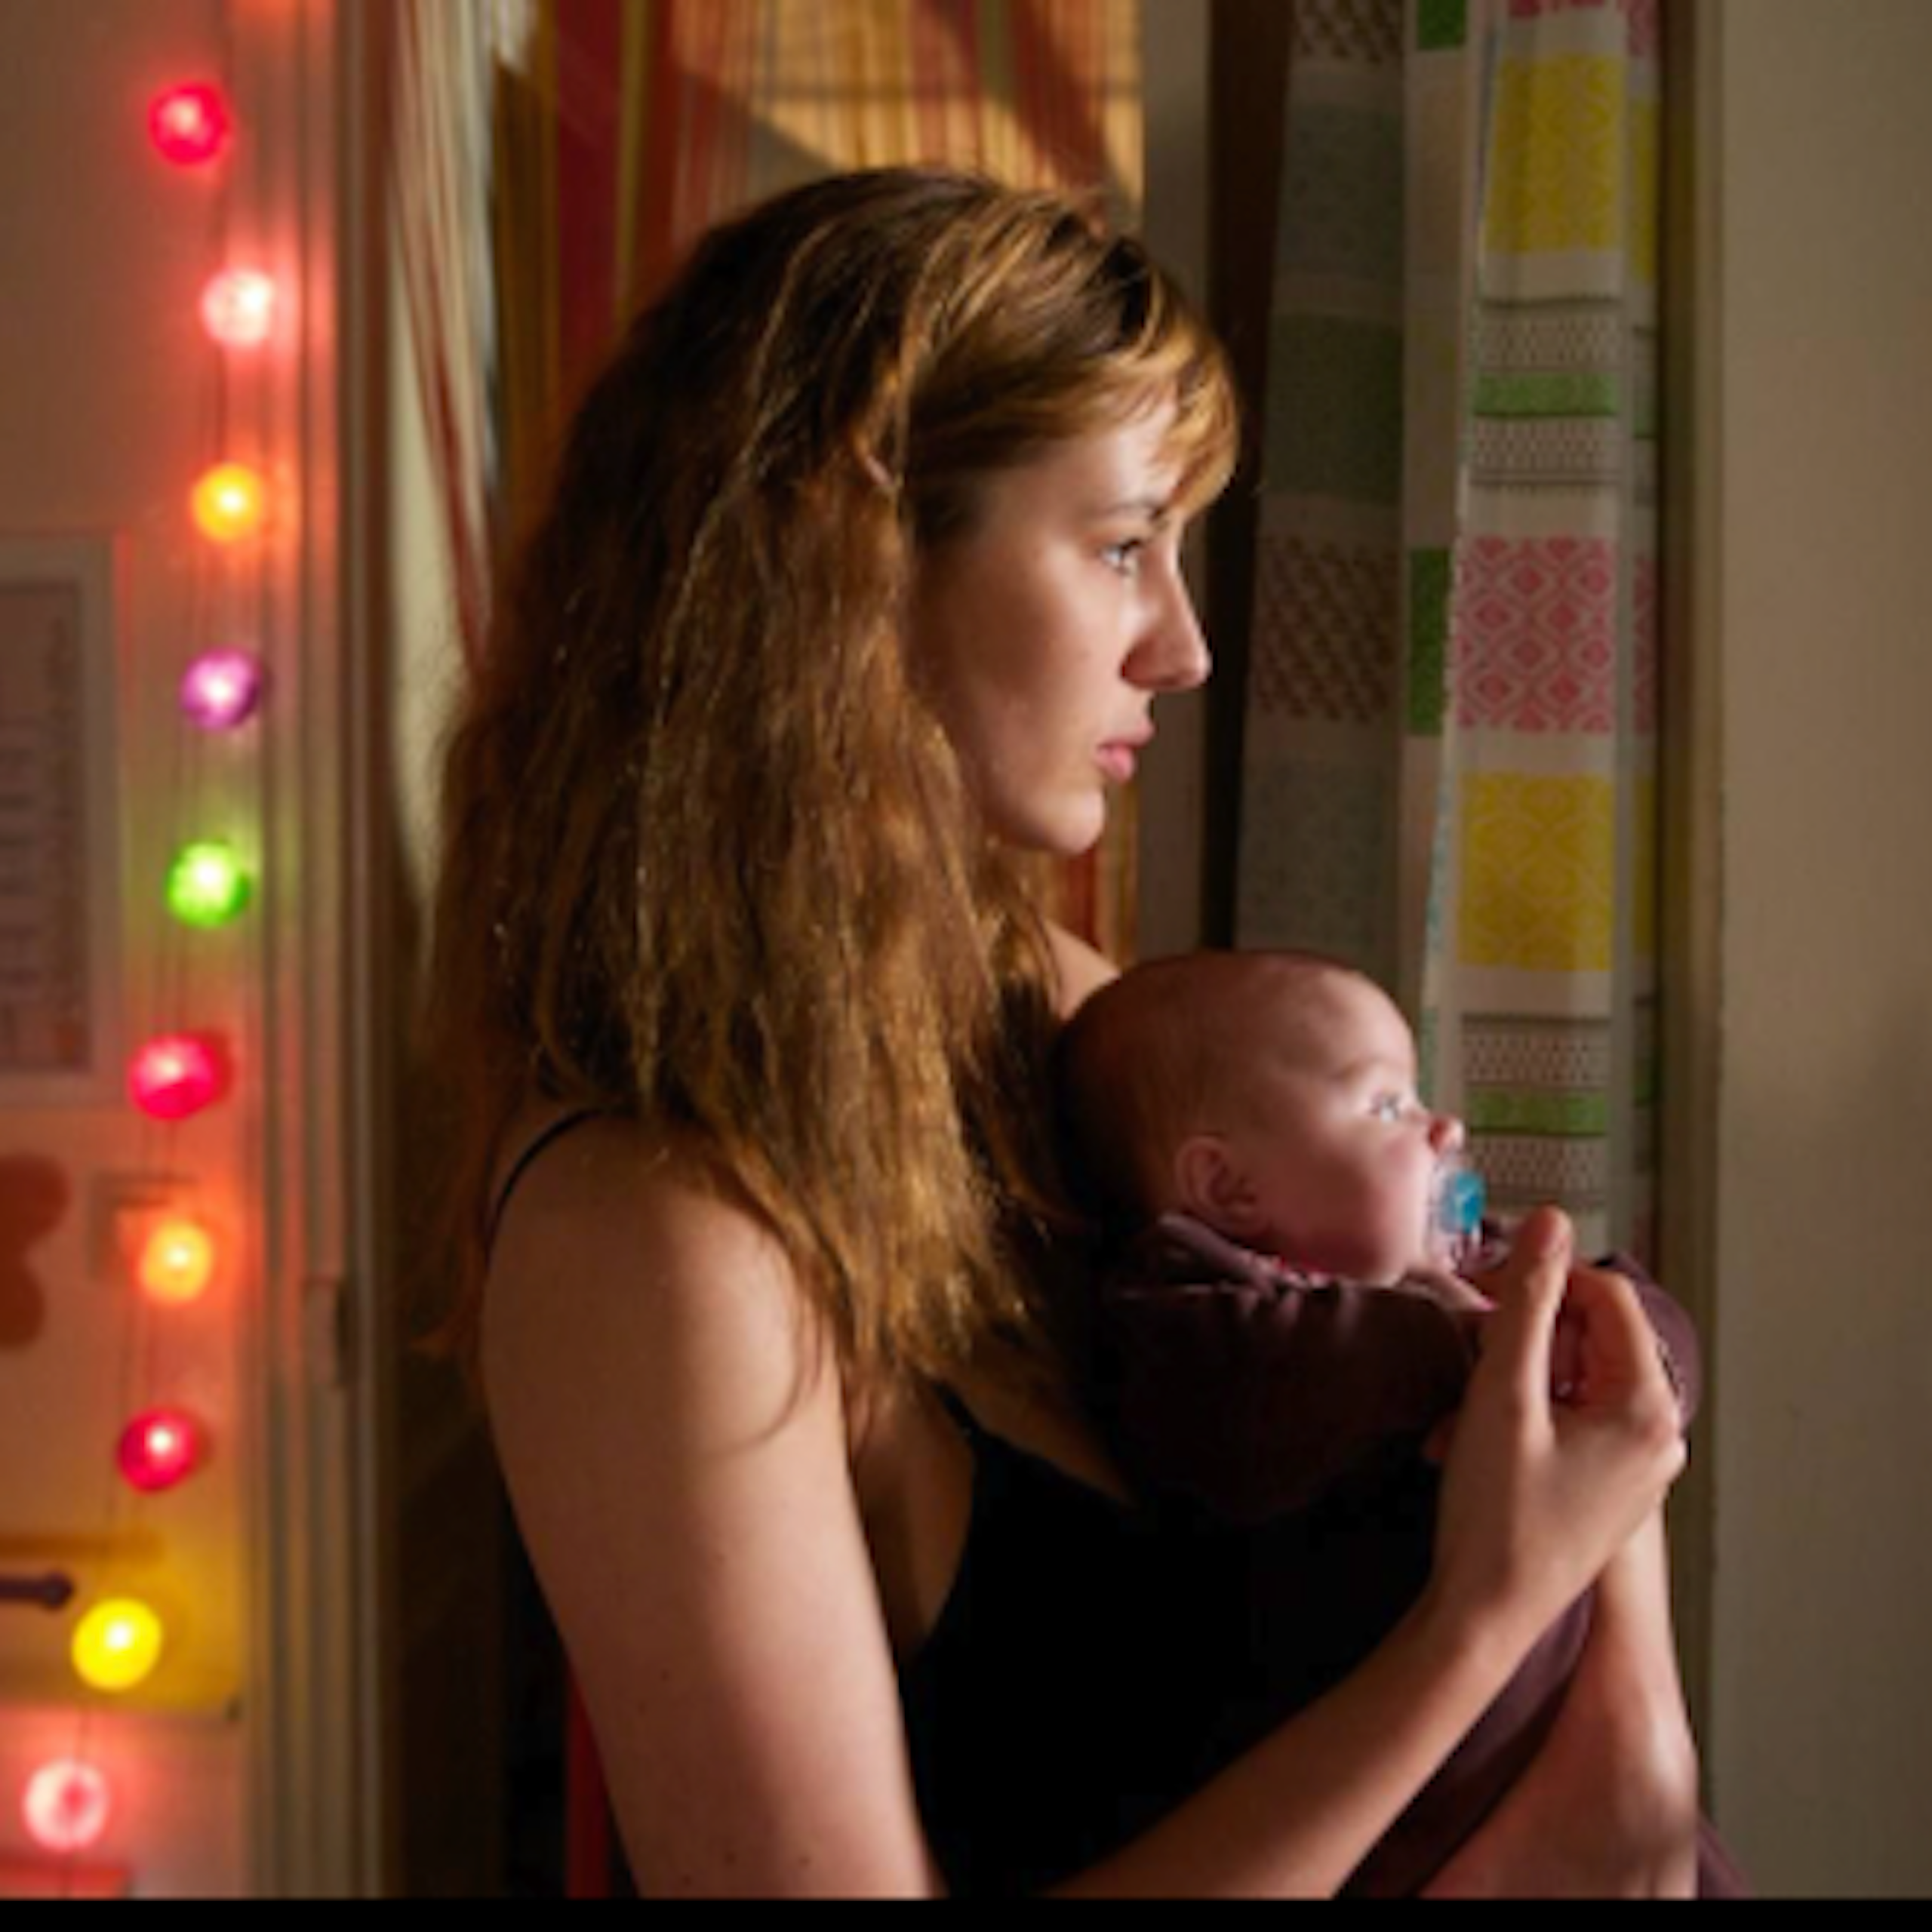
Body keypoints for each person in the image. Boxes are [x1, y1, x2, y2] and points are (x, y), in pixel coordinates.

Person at [425, 167, 1696, 1899]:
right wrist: (1476, 1631)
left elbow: (1603, 1724)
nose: (1175, 645)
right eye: (1117, 546)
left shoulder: (1074, 1031)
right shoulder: (648, 1237)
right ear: (847, 560)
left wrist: (1614, 1650)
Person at [1054, 948, 1746, 1897]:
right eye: (1385, 1105)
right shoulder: (1188, 1316)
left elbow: (1618, 1306)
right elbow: (1293, 1380)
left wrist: (1634, 1350)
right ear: (1227, 1188)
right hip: (1412, 1819)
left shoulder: (1446, 1268)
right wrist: (1488, 1352)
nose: (1443, 1127)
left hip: (1568, 1746)